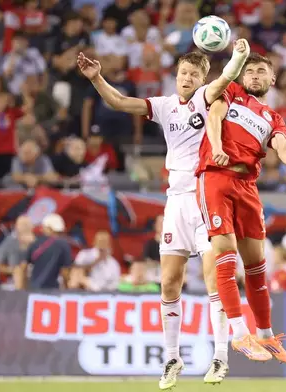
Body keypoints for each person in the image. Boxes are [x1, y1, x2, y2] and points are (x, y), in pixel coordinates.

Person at [77, 40, 251, 388]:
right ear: (175, 76)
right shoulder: (164, 106)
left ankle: (220, 357)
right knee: (170, 282)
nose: (186, 78)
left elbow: (225, 79)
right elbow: (120, 101)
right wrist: (97, 79)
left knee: (215, 279)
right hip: (175, 203)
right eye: (183, 72)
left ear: (202, 79)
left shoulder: (206, 98)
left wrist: (238, 57)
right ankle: (172, 358)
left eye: (193, 74)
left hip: (206, 199)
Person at [196, 53, 286, 364]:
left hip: (247, 186)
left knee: (257, 267)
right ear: (243, 77)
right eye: (251, 71)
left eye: (262, 71)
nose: (255, 75)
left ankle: (265, 335)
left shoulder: (273, 117)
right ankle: (238, 333)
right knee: (225, 254)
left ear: (272, 80)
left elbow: (282, 144)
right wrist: (217, 147)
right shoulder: (231, 92)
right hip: (216, 176)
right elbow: (215, 116)